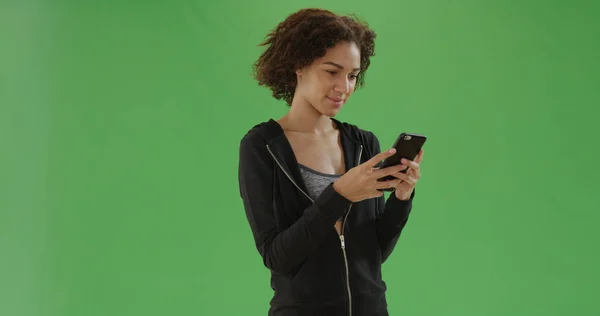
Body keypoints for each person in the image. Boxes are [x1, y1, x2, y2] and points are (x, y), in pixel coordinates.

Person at [237, 8, 424, 316]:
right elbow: (277, 257)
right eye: (332, 72)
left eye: (352, 76)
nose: (344, 87)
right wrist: (339, 195)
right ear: (299, 65)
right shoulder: (263, 146)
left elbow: (373, 254)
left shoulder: (363, 144)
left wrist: (402, 199)